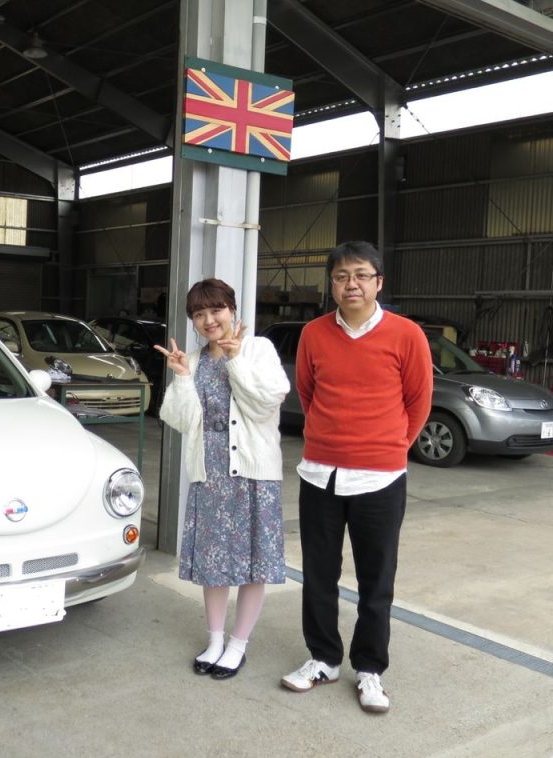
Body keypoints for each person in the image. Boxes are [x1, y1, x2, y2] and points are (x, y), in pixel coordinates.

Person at [280, 241, 432, 714]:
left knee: (376, 579)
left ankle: (370, 669)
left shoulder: (407, 335)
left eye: (362, 275)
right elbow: (308, 392)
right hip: (320, 474)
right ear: (331, 284)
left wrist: (390, 446)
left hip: (380, 479)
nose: (352, 284)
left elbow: (418, 401)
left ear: (378, 283)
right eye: (342, 276)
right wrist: (333, 438)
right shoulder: (313, 334)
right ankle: (324, 658)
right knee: (318, 574)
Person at [156, 278, 290, 680]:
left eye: (216, 310)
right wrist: (182, 377)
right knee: (213, 563)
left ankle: (238, 645)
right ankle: (215, 640)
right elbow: (179, 420)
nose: (209, 320)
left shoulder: (258, 349)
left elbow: (265, 404)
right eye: (199, 314)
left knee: (253, 563)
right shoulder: (195, 360)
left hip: (253, 474)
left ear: (232, 309)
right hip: (210, 473)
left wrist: (235, 360)